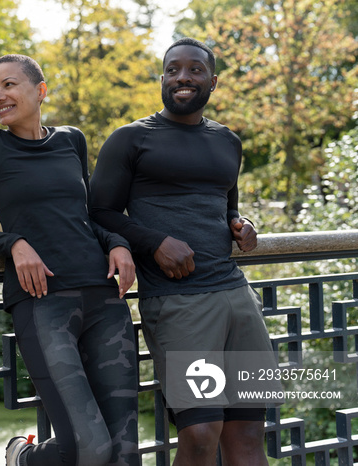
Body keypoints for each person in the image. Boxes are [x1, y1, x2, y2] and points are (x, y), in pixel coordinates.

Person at [90, 38, 277, 465]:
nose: (183, 78)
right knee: (200, 433)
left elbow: (226, 204)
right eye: (173, 70)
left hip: (235, 294)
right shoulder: (130, 139)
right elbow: (98, 211)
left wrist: (242, 224)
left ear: (213, 80)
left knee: (248, 431)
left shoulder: (228, 141)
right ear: (162, 78)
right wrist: (153, 242)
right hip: (178, 302)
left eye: (194, 70)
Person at [0, 54, 140, 466]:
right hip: (43, 304)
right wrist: (14, 243)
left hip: (105, 298)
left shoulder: (71, 139)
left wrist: (117, 242)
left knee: (125, 453)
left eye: (8, 85)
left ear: (40, 91)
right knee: (89, 448)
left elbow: (87, 215)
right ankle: (21, 456)